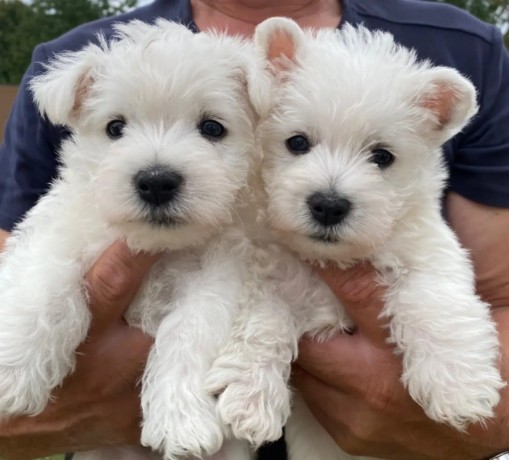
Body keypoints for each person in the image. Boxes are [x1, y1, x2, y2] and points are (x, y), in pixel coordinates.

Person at [0, 0, 508, 459]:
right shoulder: (74, 55)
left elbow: (493, 293)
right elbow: (22, 258)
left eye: (211, 128)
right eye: (117, 128)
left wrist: (488, 421)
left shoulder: (470, 48)